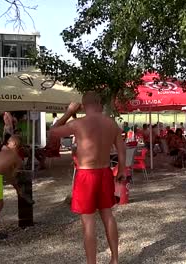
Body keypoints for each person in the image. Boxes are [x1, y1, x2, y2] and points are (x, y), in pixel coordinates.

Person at [49, 92, 123, 264]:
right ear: (99, 103)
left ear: (82, 105)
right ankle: (115, 259)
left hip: (86, 174)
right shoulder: (111, 123)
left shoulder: (78, 123)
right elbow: (121, 147)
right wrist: (123, 169)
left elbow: (53, 133)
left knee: (88, 222)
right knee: (108, 216)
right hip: (105, 171)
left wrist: (68, 112)